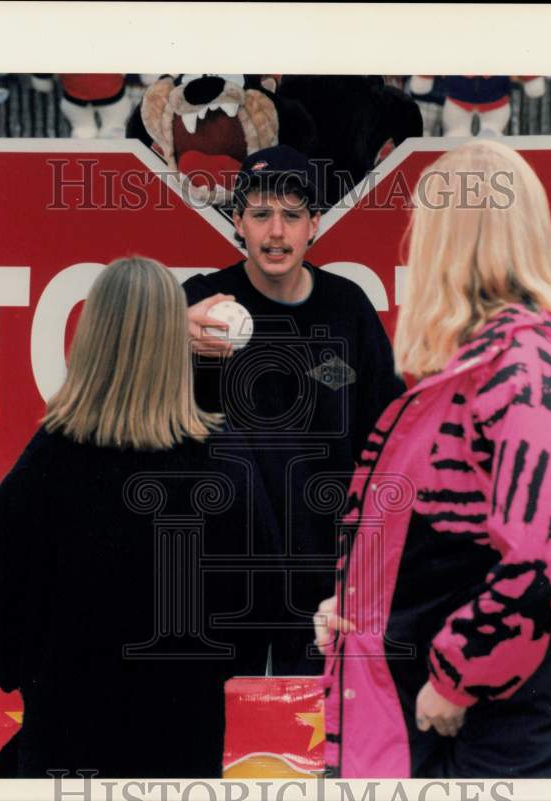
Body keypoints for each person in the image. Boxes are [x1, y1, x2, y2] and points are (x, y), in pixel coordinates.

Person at [315, 139, 551, 778]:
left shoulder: (525, 371)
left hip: (510, 739)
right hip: (467, 734)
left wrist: (458, 675)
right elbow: (440, 551)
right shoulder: (472, 373)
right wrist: (357, 618)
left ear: (445, 241)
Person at [0, 257, 269, 778]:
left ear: (91, 337)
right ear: (173, 345)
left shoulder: (46, 462)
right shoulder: (223, 463)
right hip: (182, 740)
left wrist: (34, 676)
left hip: (63, 735)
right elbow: (255, 610)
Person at [183, 145, 406, 676]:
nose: (276, 232)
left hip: (323, 574)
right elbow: (124, 382)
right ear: (238, 221)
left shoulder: (347, 306)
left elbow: (388, 435)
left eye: (291, 215)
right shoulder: (200, 304)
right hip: (221, 569)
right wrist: (168, 332)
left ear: (315, 225)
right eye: (260, 214)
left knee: (312, 730)